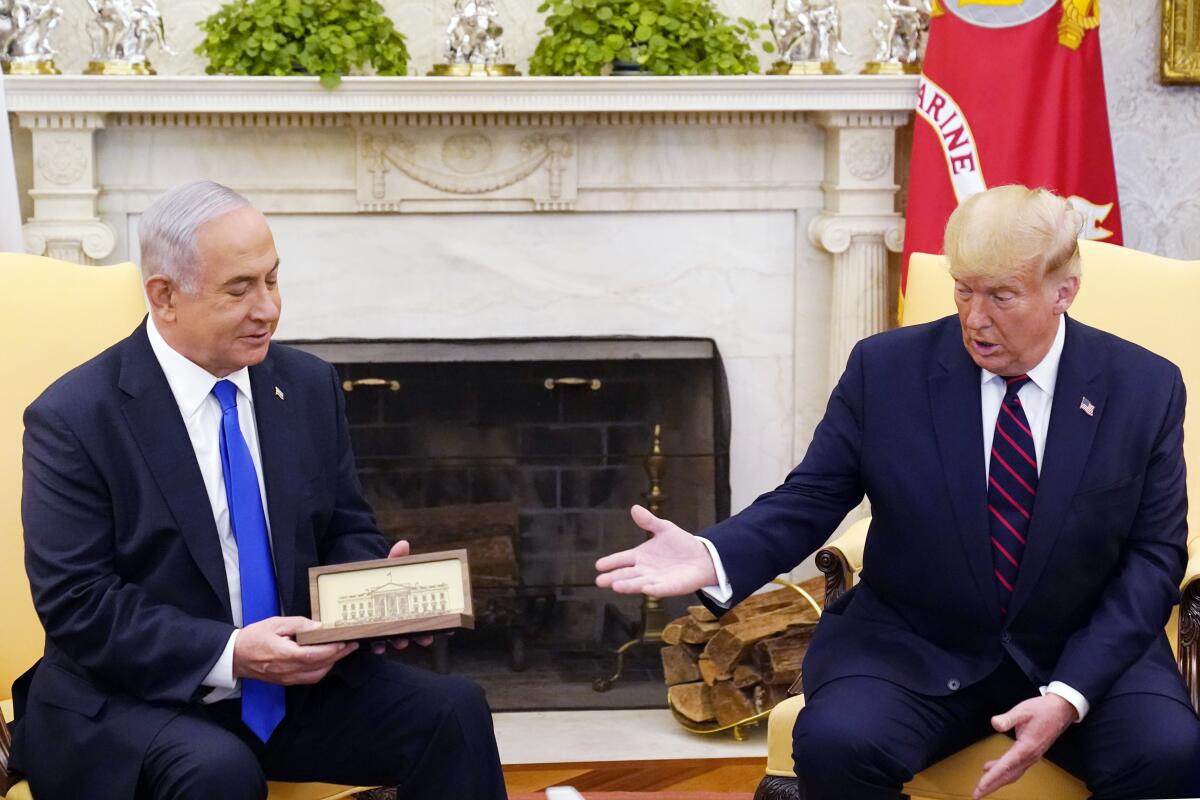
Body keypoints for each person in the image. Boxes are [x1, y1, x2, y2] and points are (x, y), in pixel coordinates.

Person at [596, 185, 1200, 799]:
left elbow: (1154, 556)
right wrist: (715, 553)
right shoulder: (886, 370)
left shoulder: (1142, 387)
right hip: (914, 646)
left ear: (1063, 291)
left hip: (1080, 646)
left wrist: (1070, 695)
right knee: (837, 742)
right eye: (964, 289)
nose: (974, 317)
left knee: (1168, 754)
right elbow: (813, 494)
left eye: (1001, 296)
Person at [9, 180, 508, 800]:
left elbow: (345, 527)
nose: (268, 308)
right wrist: (233, 652)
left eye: (272, 280)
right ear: (164, 296)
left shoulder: (306, 385)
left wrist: (374, 597)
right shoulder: (76, 417)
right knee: (218, 770)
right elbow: (79, 602)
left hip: (293, 687)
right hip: (136, 697)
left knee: (455, 711)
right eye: (240, 289)